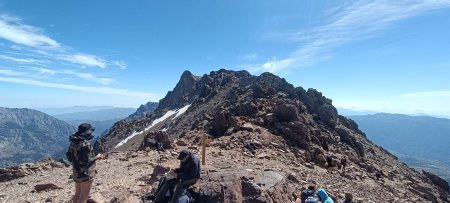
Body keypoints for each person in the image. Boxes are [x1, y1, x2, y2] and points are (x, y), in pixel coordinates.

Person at [66, 123, 104, 203]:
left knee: (77, 194)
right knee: (84, 196)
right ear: (87, 132)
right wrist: (97, 157)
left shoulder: (74, 141)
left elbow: (70, 156)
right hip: (85, 173)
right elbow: (86, 162)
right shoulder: (85, 144)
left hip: (76, 171)